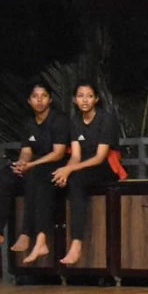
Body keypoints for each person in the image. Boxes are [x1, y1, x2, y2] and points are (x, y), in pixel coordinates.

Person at [0, 83, 70, 262]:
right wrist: (22, 164)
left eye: (43, 96)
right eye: (35, 96)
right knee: (2, 177)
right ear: (29, 101)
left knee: (35, 176)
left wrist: (31, 165)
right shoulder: (29, 123)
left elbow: (58, 153)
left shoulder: (59, 120)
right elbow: (27, 151)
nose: (39, 100)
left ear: (50, 100)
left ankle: (27, 233)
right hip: (34, 166)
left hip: (54, 167)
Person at [52, 82, 120, 266]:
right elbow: (75, 156)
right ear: (75, 99)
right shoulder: (75, 121)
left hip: (105, 166)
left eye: (89, 96)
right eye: (80, 96)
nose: (85, 100)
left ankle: (76, 243)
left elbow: (99, 157)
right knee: (57, 179)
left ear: (96, 99)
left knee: (75, 179)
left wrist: (70, 170)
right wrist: (65, 171)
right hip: (82, 166)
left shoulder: (106, 119)